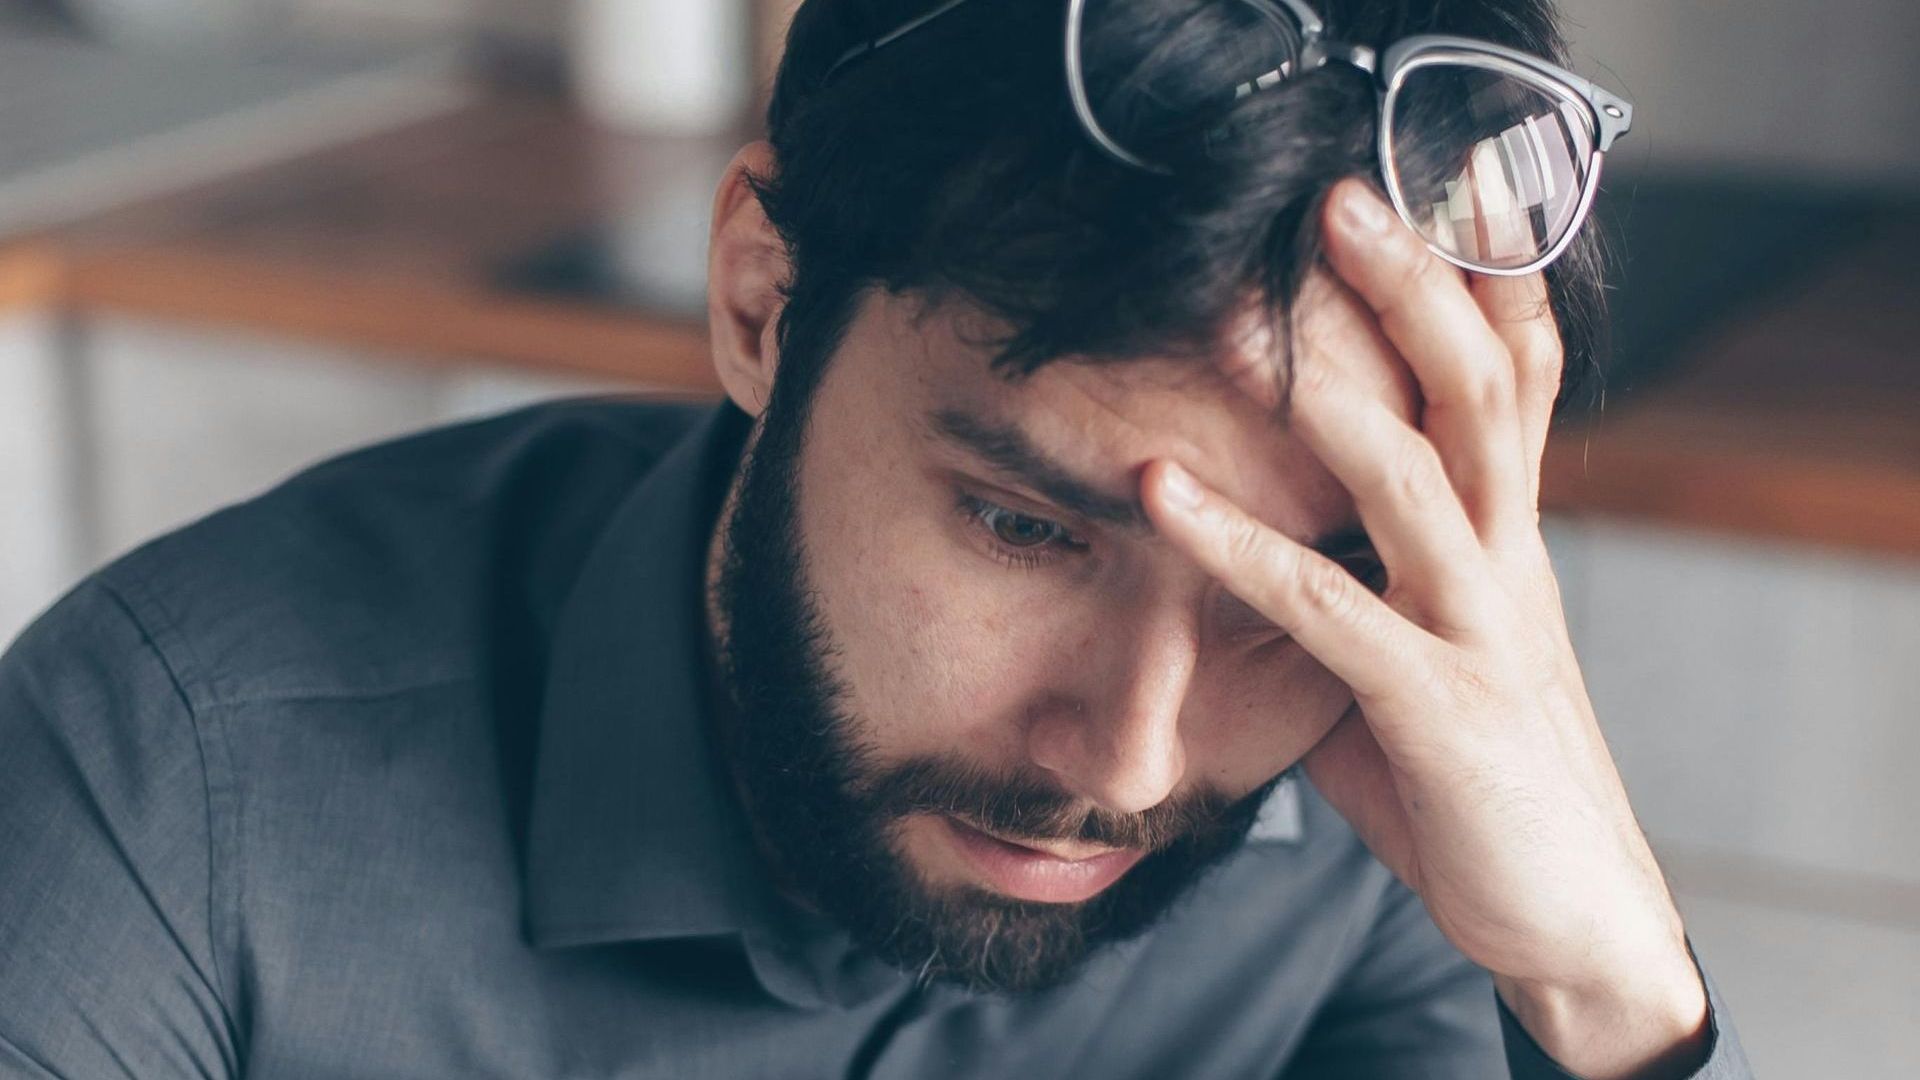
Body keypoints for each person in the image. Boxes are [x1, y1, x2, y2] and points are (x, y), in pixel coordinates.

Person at [0, 1, 1754, 1077]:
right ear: (765, 300)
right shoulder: (167, 799)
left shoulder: (1382, 844)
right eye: (1020, 525)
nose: (1129, 765)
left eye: (1296, 596)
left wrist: (1611, 998)